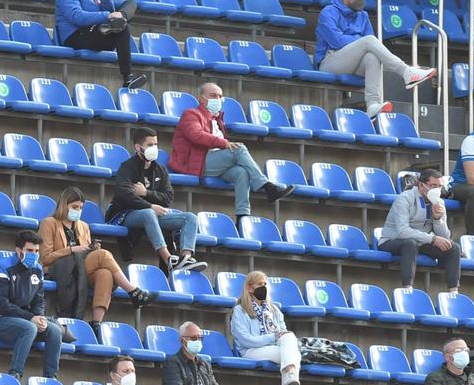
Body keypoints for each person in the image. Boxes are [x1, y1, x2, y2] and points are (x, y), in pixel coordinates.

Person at [172, 82, 293, 223]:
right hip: (196, 163)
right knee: (239, 149)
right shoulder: (191, 114)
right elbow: (196, 135)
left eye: (219, 96)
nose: (217, 99)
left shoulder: (217, 120)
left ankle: (242, 217)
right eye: (213, 96)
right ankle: (267, 186)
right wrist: (225, 143)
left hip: (214, 162)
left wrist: (224, 145)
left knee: (241, 172)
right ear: (201, 98)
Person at [38, 187, 155, 324]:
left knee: (105, 273)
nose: (78, 211)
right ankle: (133, 291)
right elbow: (44, 259)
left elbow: (85, 254)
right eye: (74, 207)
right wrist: (71, 249)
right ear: (64, 205)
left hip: (81, 268)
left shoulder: (83, 226)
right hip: (60, 268)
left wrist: (91, 249)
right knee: (103, 255)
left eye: (80, 208)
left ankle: (96, 323)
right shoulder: (49, 223)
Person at [316, 0, 435, 110]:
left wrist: (361, 41)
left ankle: (373, 105)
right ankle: (406, 72)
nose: (362, 0)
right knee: (369, 41)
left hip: (352, 63)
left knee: (372, 57)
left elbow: (370, 45)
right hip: (329, 63)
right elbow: (337, 41)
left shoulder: (363, 16)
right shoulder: (328, 12)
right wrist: (360, 40)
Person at [107, 127, 201, 273]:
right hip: (127, 214)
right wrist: (150, 206)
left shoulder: (160, 170)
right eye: (150, 145)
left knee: (190, 217)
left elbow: (168, 197)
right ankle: (169, 259)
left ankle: (185, 258)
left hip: (153, 213)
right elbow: (123, 194)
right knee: (148, 213)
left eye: (156, 144)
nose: (154, 148)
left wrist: (146, 193)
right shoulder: (127, 167)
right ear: (138, 147)